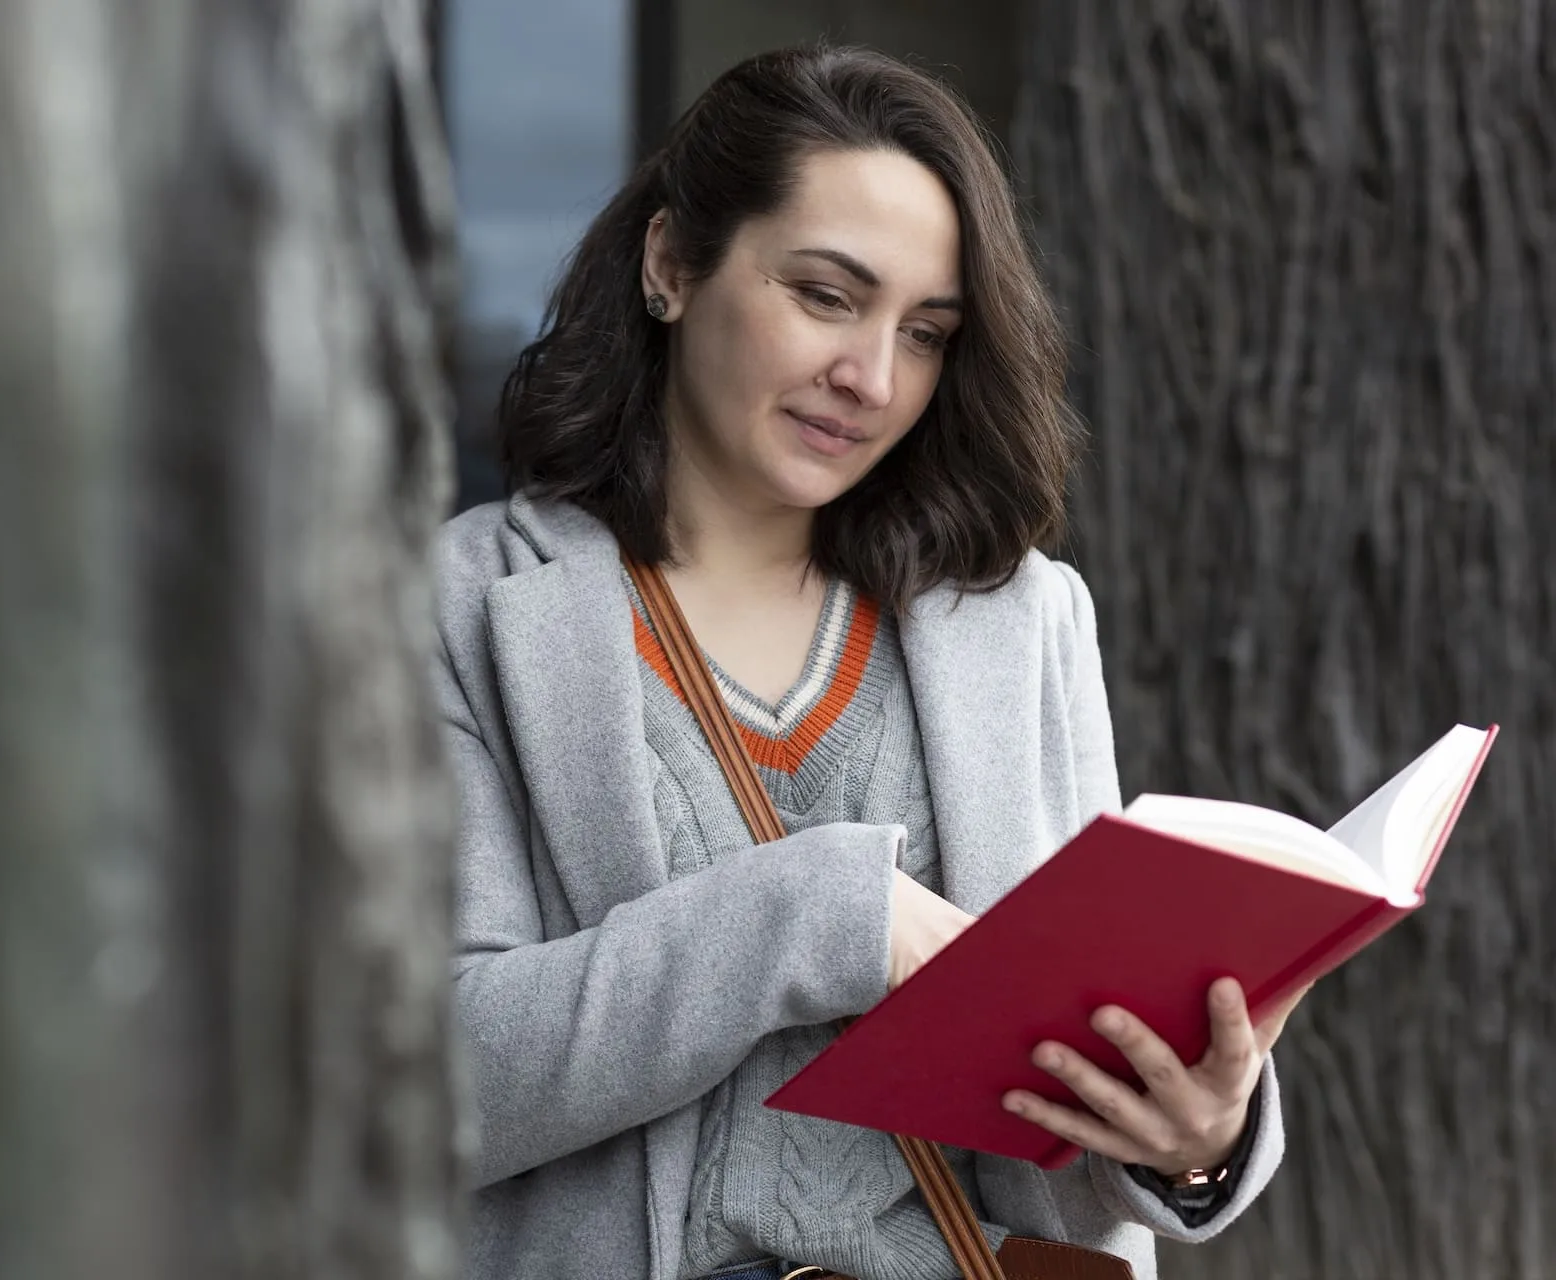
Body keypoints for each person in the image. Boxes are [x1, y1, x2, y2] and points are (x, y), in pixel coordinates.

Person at [435, 45, 1296, 1280]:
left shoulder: (1022, 620)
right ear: (670, 263)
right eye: (828, 296)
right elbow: (419, 1085)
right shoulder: (466, 606)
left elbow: (1062, 1124)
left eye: (927, 333)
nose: (873, 379)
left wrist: (1196, 1135)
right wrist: (816, 917)